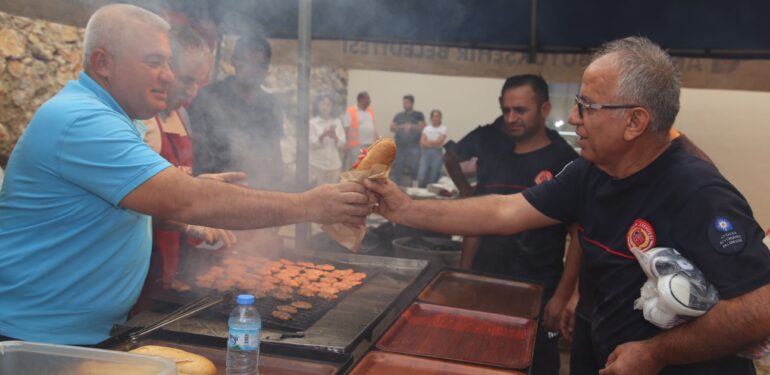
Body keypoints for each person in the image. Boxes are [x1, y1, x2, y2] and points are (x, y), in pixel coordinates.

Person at [365, 37, 770, 375]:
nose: (574, 117)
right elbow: (506, 211)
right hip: (602, 350)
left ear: (635, 122)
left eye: (588, 106)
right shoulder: (590, 171)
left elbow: (760, 307)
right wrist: (405, 209)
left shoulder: (696, 190)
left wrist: (656, 352)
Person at [0, 4, 369, 345]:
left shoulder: (117, 118)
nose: (168, 75)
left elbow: (138, 201)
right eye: (154, 61)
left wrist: (185, 190)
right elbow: (187, 200)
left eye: (168, 62)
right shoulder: (82, 119)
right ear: (102, 62)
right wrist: (310, 205)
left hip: (83, 332)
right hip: (39, 337)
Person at [456, 74, 579, 375]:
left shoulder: (565, 160)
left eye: (520, 110)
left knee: (536, 365)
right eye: (506, 110)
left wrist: (563, 296)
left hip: (538, 291)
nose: (511, 118)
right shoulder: (496, 155)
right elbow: (478, 221)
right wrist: (464, 274)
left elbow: (580, 236)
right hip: (488, 283)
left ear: (545, 109)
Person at [139, 26, 238, 296]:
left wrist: (195, 187)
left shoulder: (183, 116)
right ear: (166, 71)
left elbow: (173, 183)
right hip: (139, 259)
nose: (193, 92)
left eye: (199, 82)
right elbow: (132, 202)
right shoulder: (140, 121)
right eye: (186, 81)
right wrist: (185, 220)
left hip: (172, 257)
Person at [188, 32, 285, 190]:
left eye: (260, 66)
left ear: (267, 69)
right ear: (234, 61)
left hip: (259, 189)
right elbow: (195, 147)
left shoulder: (271, 104)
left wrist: (277, 182)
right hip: (214, 188)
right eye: (246, 63)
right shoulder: (209, 97)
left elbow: (275, 153)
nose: (252, 71)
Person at [309, 94, 346, 186]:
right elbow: (311, 145)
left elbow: (342, 143)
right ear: (317, 106)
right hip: (317, 164)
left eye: (328, 105)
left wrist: (335, 137)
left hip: (334, 165)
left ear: (332, 107)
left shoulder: (337, 121)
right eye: (322, 104)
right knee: (317, 193)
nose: (325, 107)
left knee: (333, 193)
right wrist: (322, 136)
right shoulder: (312, 123)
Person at [390, 94, 426, 186]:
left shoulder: (418, 115)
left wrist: (411, 126)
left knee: (414, 167)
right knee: (398, 167)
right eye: (404, 103)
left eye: (407, 103)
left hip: (414, 146)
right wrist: (403, 126)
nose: (404, 104)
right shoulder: (399, 115)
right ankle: (396, 186)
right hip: (400, 146)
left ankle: (414, 187)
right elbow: (392, 128)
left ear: (412, 103)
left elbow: (422, 128)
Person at [342, 91, 377, 170]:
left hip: (369, 144)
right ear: (361, 99)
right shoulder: (350, 111)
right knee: (356, 167)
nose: (370, 101)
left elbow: (373, 126)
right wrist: (346, 143)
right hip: (356, 145)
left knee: (367, 167)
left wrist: (377, 139)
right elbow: (346, 129)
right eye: (368, 99)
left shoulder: (370, 111)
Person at [416, 109, 447, 187]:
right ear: (431, 118)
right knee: (421, 175)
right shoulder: (427, 128)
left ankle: (430, 196)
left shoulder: (443, 129)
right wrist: (433, 142)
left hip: (437, 153)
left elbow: (440, 142)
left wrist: (428, 142)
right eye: (433, 116)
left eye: (437, 116)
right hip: (426, 153)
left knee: (433, 177)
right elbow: (422, 142)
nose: (435, 118)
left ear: (440, 118)